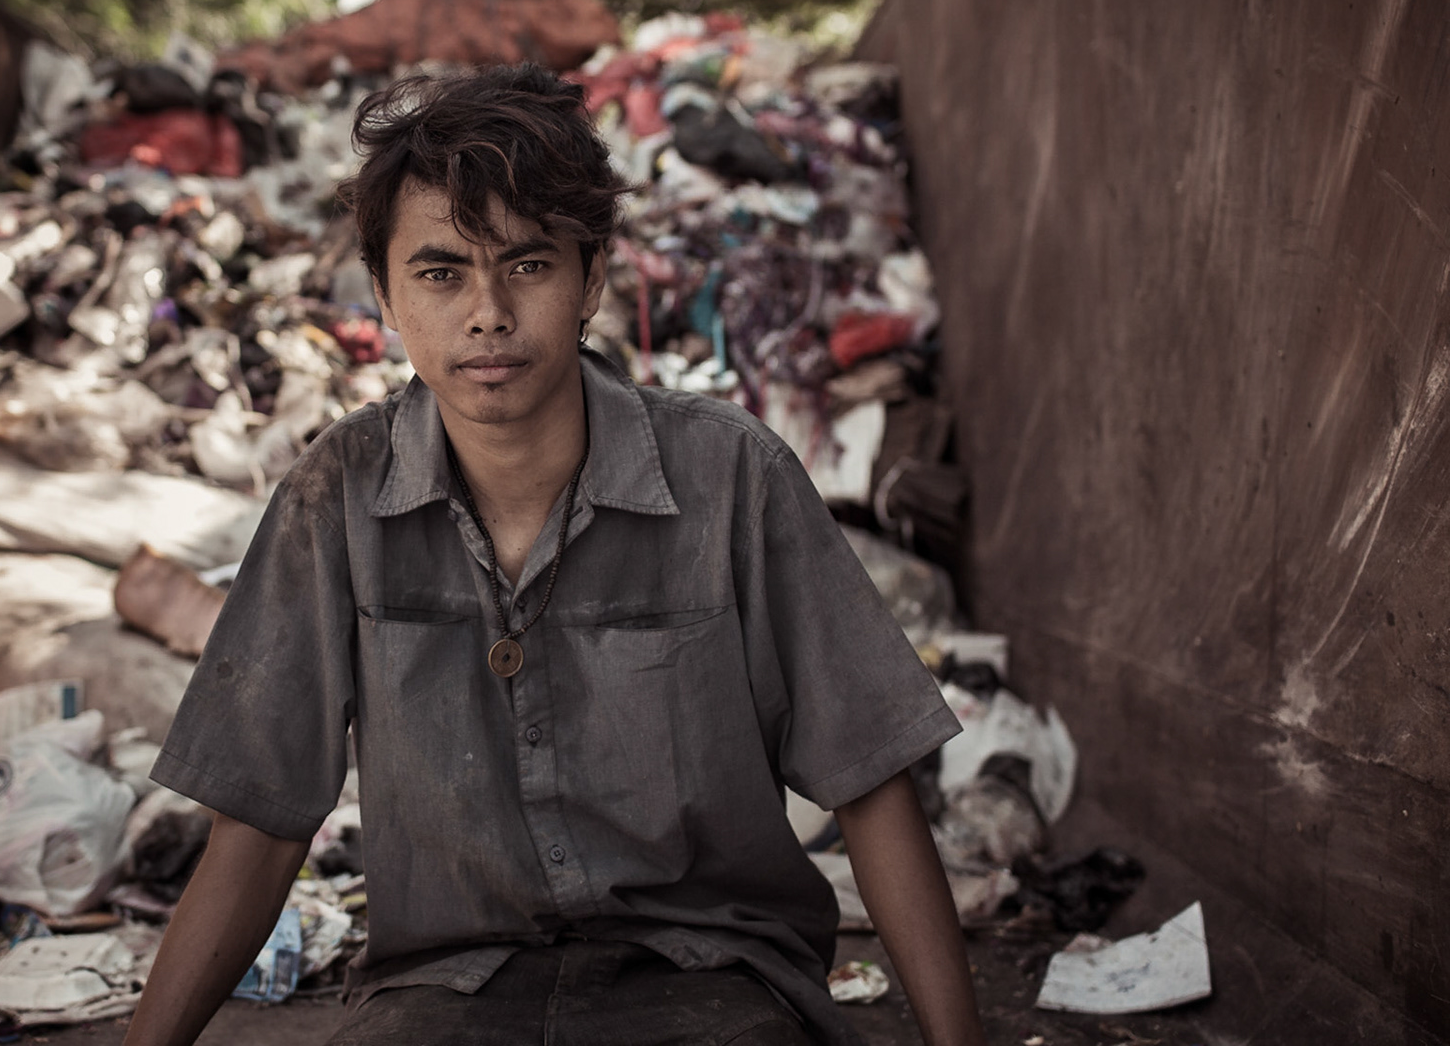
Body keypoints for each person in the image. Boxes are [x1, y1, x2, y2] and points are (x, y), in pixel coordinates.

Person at [122, 64, 986, 1046]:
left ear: (591, 279)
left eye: (527, 265)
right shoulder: (338, 495)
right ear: (385, 296)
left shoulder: (729, 476)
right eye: (442, 273)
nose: (487, 311)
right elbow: (263, 821)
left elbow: (870, 781)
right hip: (444, 991)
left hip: (708, 971)